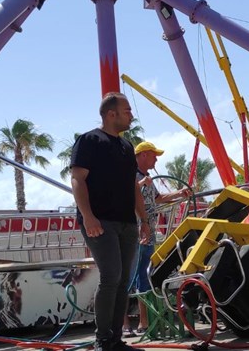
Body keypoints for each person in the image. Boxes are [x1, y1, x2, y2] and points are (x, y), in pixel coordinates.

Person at [70, 92, 150, 351]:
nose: (131, 115)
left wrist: (144, 220)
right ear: (111, 114)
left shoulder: (127, 147)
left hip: (126, 222)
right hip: (99, 221)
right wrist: (89, 215)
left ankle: (115, 338)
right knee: (111, 276)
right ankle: (103, 338)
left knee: (124, 279)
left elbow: (133, 187)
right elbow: (77, 180)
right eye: (127, 110)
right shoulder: (89, 140)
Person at [126, 141, 192, 335]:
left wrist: (178, 194)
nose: (156, 159)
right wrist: (140, 184)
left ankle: (144, 322)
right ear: (144, 154)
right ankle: (123, 325)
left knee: (145, 277)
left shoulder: (147, 177)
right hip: (133, 233)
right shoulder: (129, 173)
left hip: (149, 233)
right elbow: (124, 196)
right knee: (126, 279)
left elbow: (157, 198)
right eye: (154, 155)